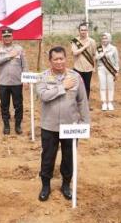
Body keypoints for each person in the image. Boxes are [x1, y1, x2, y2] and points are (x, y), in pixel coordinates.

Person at [36, 46, 90, 201]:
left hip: (70, 126)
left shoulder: (75, 77)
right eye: (55, 59)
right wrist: (63, 87)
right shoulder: (43, 77)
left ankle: (66, 184)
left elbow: (82, 101)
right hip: (49, 125)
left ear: (66, 59)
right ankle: (45, 185)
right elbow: (44, 95)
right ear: (50, 61)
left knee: (69, 157)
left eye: (62, 58)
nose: (59, 62)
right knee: (47, 157)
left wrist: (85, 122)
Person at [0, 28, 28, 135]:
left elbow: (24, 65)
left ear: (12, 37)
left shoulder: (19, 49)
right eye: (5, 37)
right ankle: (6, 125)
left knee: (18, 105)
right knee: (4, 105)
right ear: (2, 38)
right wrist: (9, 56)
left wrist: (25, 79)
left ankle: (18, 125)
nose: (7, 38)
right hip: (3, 83)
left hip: (17, 82)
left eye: (9, 36)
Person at [71, 23, 97, 100]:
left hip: (88, 68)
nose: (83, 31)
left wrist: (94, 66)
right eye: (81, 30)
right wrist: (85, 46)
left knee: (87, 87)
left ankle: (85, 105)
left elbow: (94, 54)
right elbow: (75, 53)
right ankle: (76, 104)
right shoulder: (74, 41)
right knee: (76, 87)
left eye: (85, 30)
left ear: (87, 31)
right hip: (77, 68)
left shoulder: (92, 41)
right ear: (79, 31)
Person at [95, 33, 119, 111]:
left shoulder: (113, 48)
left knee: (110, 86)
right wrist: (102, 54)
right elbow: (96, 57)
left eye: (106, 38)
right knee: (102, 86)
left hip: (111, 69)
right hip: (101, 68)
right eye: (103, 38)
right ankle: (104, 102)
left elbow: (116, 61)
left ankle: (110, 102)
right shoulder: (98, 48)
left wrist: (116, 71)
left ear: (109, 39)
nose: (104, 40)